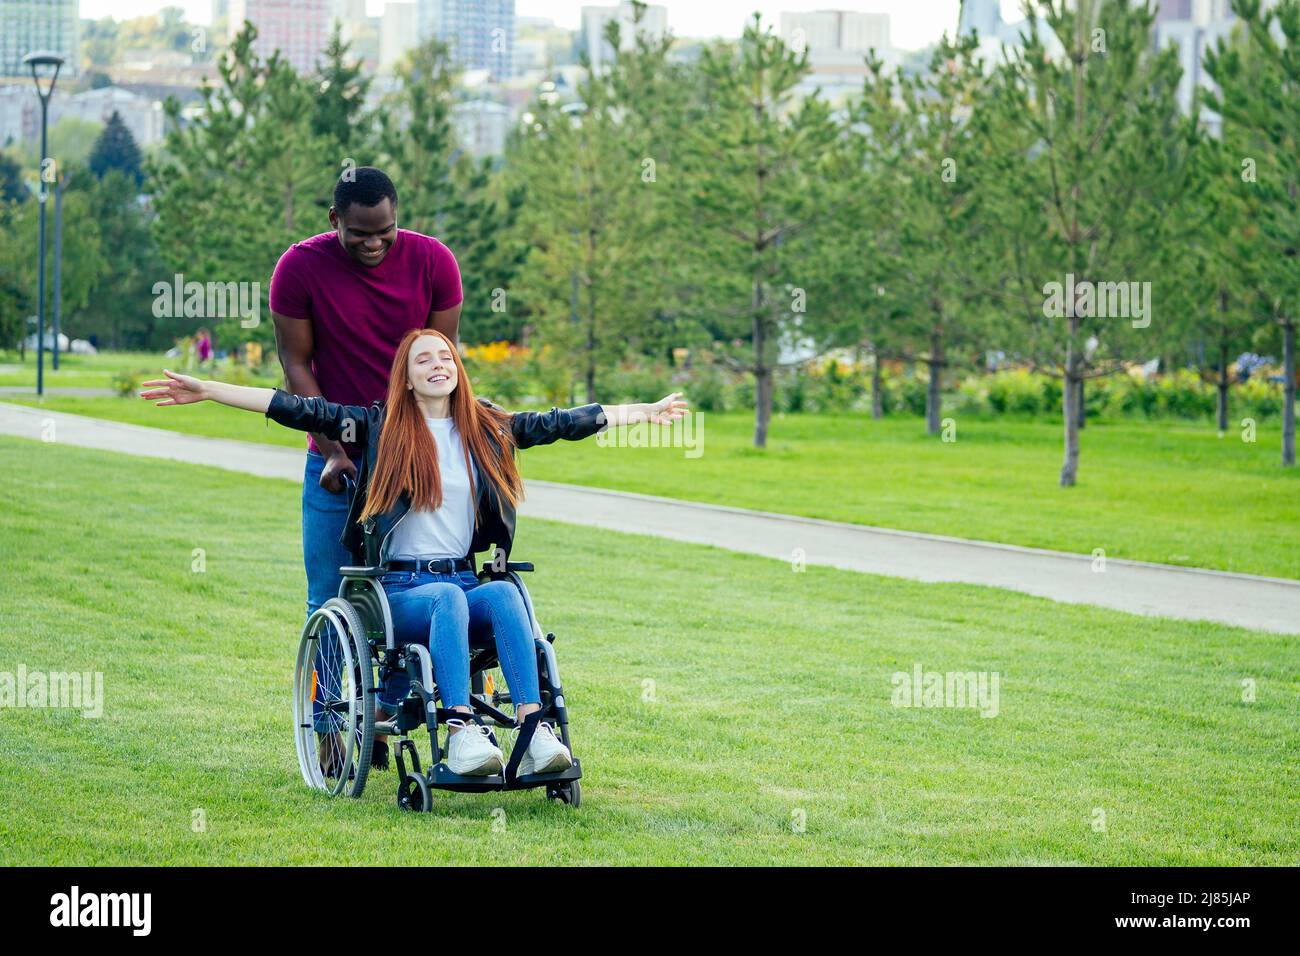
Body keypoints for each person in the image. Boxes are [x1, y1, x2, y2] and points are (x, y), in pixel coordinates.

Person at [140, 328, 688, 777]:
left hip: (461, 586)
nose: (436, 365)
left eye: (445, 356)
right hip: (395, 591)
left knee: (500, 594)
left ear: (457, 368)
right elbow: (297, 407)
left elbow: (560, 423)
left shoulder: (487, 430)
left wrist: (642, 411)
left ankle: (532, 728)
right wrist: (210, 389)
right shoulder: (377, 427)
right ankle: (460, 733)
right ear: (406, 374)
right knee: (448, 595)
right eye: (423, 359)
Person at [269, 166, 463, 766]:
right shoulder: (299, 268)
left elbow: (438, 364)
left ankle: (394, 716)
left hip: (410, 461)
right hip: (336, 458)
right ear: (335, 222)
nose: (374, 243)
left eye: (385, 231)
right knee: (329, 595)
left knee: (419, 585)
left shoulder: (434, 263)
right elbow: (297, 369)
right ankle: (331, 729)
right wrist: (332, 451)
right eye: (360, 234)